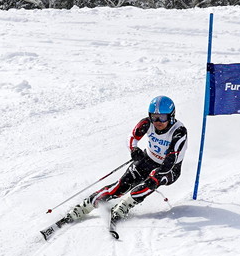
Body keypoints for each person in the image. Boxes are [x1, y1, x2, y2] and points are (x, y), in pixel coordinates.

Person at [68, 95, 188, 229]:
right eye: (154, 117)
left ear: (171, 116)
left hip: (170, 169)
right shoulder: (147, 123)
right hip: (148, 160)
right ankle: (85, 206)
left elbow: (171, 160)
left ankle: (124, 205)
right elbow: (132, 137)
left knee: (153, 180)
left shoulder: (179, 131)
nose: (158, 121)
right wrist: (134, 149)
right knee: (120, 186)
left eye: (162, 117)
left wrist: (157, 174)